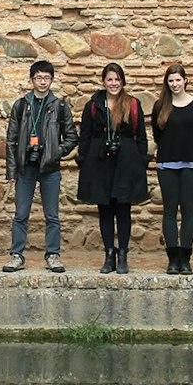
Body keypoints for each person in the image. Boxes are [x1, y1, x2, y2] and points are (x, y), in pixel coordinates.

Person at [3, 60, 78, 273]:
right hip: (26, 167)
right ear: (32, 79)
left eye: (46, 78)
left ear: (52, 80)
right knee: (21, 213)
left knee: (52, 214)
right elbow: (11, 139)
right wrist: (11, 170)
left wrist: (56, 152)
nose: (42, 82)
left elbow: (72, 137)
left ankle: (53, 255)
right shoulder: (21, 104)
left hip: (50, 168)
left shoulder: (60, 105)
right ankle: (17, 255)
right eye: (38, 78)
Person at [76, 62, 150, 274]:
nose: (114, 83)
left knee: (123, 208)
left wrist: (141, 159)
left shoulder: (132, 104)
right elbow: (86, 135)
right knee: (105, 209)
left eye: (117, 79)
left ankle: (123, 254)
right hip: (100, 162)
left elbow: (141, 136)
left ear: (122, 81)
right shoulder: (94, 104)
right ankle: (109, 254)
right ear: (104, 81)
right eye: (110, 79)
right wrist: (83, 159)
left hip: (126, 161)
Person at [151, 63, 193, 276]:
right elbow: (158, 135)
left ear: (185, 80)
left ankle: (185, 258)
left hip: (191, 164)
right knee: (169, 210)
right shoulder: (160, 106)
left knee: (188, 211)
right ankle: (172, 258)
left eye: (178, 80)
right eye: (171, 80)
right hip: (167, 164)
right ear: (167, 83)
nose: (175, 84)